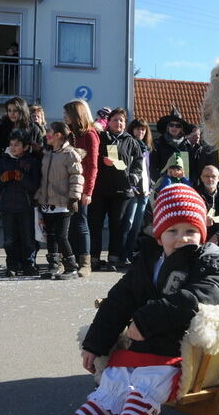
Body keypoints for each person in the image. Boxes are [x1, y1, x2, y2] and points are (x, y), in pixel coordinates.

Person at [7, 183, 219, 415]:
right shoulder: (149, 261)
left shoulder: (211, 261)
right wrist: (95, 344)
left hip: (179, 354)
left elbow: (201, 296)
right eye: (173, 231)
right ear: (159, 234)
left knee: (139, 400)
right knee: (105, 394)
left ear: (202, 232)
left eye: (190, 231)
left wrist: (147, 318)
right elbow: (119, 300)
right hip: (142, 349)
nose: (182, 239)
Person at [89, 108, 143, 272]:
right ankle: (94, 258)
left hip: (121, 191)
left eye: (121, 120)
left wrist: (133, 178)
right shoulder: (100, 137)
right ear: (109, 122)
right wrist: (101, 161)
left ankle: (114, 259)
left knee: (117, 226)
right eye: (115, 120)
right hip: (99, 190)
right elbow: (91, 157)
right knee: (95, 224)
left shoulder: (131, 140)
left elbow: (139, 162)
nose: (118, 123)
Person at [37, 122, 84, 280]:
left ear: (58, 135)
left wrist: (73, 197)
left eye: (49, 131)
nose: (46, 134)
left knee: (61, 235)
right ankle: (54, 266)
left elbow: (76, 177)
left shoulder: (70, 154)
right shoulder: (49, 153)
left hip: (64, 202)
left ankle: (71, 267)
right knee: (50, 234)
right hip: (48, 202)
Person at [0, 129, 41, 277]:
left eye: (17, 145)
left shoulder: (32, 162)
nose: (13, 147)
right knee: (9, 240)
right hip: (7, 207)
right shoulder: (3, 161)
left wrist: (21, 178)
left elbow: (35, 186)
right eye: (11, 144)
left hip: (26, 207)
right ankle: (12, 265)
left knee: (28, 238)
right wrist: (3, 178)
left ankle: (29, 264)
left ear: (26, 147)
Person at [64, 99, 100, 278]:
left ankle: (85, 263)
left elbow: (93, 165)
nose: (64, 117)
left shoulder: (90, 135)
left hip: (82, 187)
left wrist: (88, 191)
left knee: (81, 224)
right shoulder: (69, 133)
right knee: (68, 224)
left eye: (67, 114)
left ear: (76, 115)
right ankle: (72, 260)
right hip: (67, 184)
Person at [124, 118, 152, 261]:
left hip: (145, 191)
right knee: (128, 224)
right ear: (132, 130)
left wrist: (150, 185)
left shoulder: (146, 148)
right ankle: (122, 255)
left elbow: (146, 170)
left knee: (136, 227)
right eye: (137, 128)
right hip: (133, 189)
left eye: (143, 129)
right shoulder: (130, 144)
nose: (140, 131)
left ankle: (129, 254)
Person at [149, 114, 192, 185]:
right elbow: (152, 167)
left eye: (178, 126)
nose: (174, 127)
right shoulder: (158, 143)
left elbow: (192, 168)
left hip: (183, 186)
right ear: (167, 127)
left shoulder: (187, 145)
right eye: (171, 125)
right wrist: (161, 182)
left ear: (181, 129)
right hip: (163, 185)